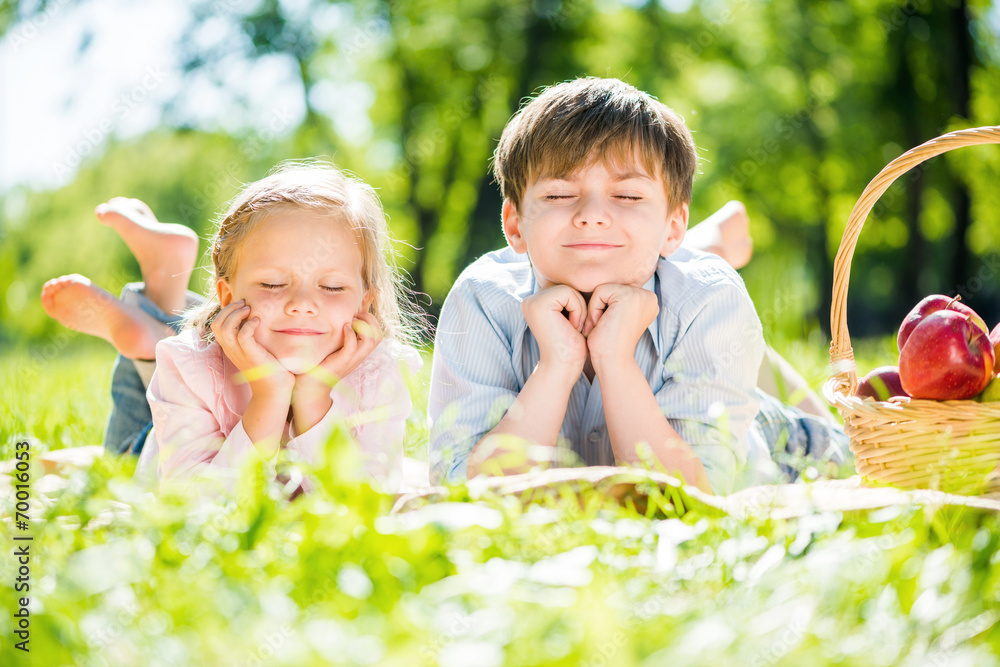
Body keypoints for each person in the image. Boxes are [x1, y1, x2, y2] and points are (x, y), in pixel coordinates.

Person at [428, 77, 847, 495]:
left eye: (627, 197)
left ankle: (706, 256)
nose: (592, 215)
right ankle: (708, 243)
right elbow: (463, 492)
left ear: (673, 226)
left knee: (856, 453)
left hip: (772, 444)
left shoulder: (710, 297)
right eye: (558, 195)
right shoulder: (481, 298)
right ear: (514, 225)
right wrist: (557, 364)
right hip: (683, 336)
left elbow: (694, 496)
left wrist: (615, 358)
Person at [42, 161, 422, 495]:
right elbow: (194, 506)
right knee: (121, 460)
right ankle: (154, 318)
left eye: (332, 287)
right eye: (273, 284)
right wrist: (269, 394)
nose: (303, 304)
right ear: (227, 294)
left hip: (184, 373)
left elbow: (363, 504)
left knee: (177, 340)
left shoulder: (382, 373)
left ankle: (158, 300)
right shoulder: (187, 365)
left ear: (364, 301)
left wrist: (313, 397)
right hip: (152, 448)